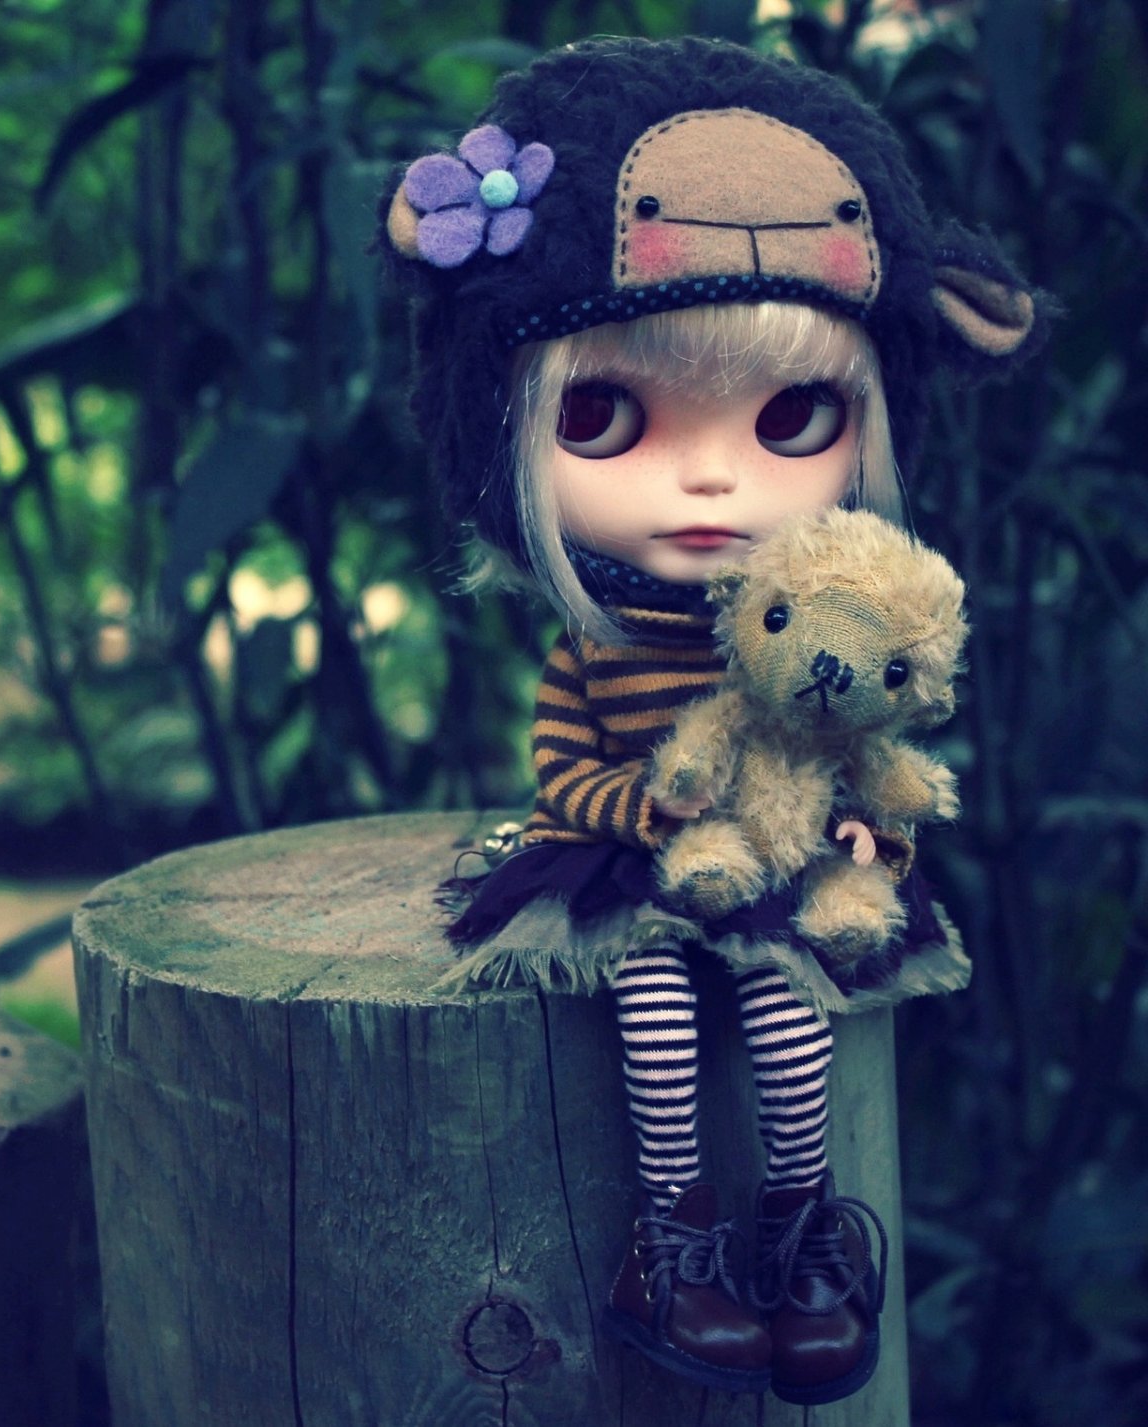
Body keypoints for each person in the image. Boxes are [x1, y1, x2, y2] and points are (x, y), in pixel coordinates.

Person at [381, 34, 1045, 1405]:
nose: (708, 482)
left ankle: (801, 1236)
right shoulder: (599, 645)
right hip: (644, 865)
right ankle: (673, 1247)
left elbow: (859, 753)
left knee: (794, 1008)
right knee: (655, 1005)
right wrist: (642, 810)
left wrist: (864, 829)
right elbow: (563, 763)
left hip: (784, 860)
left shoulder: (816, 641)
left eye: (791, 418)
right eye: (604, 414)